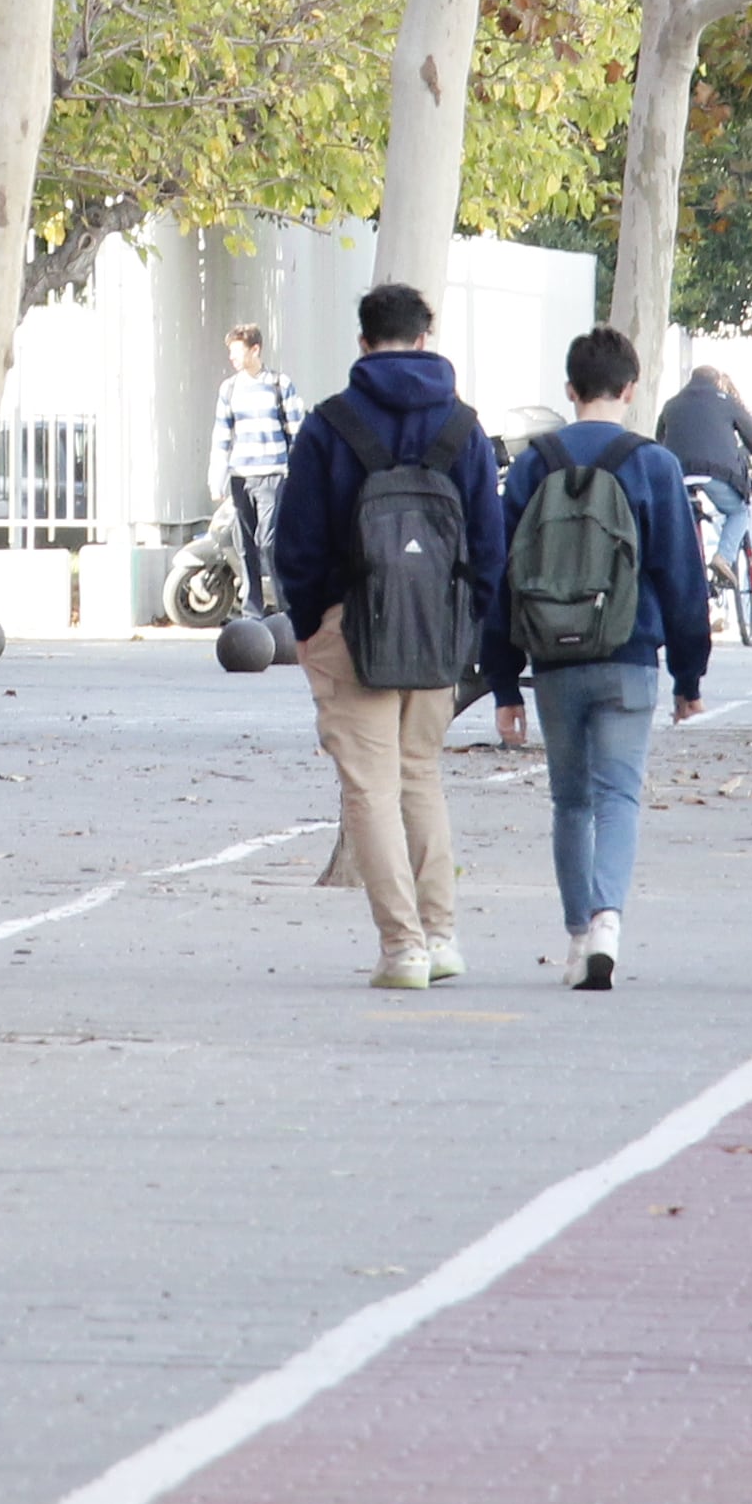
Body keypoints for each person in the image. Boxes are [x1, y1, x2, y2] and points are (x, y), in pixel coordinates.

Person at [268, 282, 506, 991]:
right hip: (436, 630)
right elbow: (489, 547)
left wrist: (311, 624)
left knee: (369, 789)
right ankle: (441, 936)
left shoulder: (329, 425)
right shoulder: (462, 427)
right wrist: (467, 625)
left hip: (351, 626)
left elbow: (297, 542)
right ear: (425, 340)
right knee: (420, 775)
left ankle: (401, 947)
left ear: (364, 342)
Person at [482, 328, 713, 990]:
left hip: (554, 661)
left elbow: (504, 576)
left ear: (570, 390)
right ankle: (608, 921)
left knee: (570, 799)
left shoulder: (533, 465)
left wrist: (503, 684)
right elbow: (681, 576)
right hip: (630, 653)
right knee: (619, 794)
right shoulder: (654, 464)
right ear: (631, 388)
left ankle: (577, 934)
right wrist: (688, 674)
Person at [211, 322, 300, 615]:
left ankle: (287, 609)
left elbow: (297, 432)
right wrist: (217, 478)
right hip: (240, 478)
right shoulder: (229, 388)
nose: (232, 358)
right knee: (245, 544)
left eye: (237, 351)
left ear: (255, 349)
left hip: (273, 476)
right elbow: (221, 436)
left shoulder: (280, 384)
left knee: (269, 543)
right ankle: (253, 612)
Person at [655, 361, 752, 576]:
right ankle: (723, 558)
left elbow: (658, 441)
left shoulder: (670, 404)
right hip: (717, 474)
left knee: (677, 519)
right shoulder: (727, 402)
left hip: (678, 475)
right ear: (717, 382)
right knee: (739, 512)